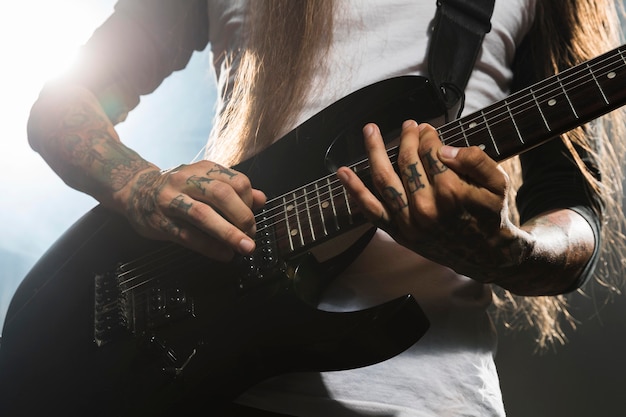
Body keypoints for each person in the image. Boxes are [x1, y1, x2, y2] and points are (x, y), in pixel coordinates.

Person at [24, 0, 626, 415]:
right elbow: (63, 100)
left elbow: (573, 212)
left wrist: (506, 248)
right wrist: (139, 186)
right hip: (199, 361)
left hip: (430, 393)